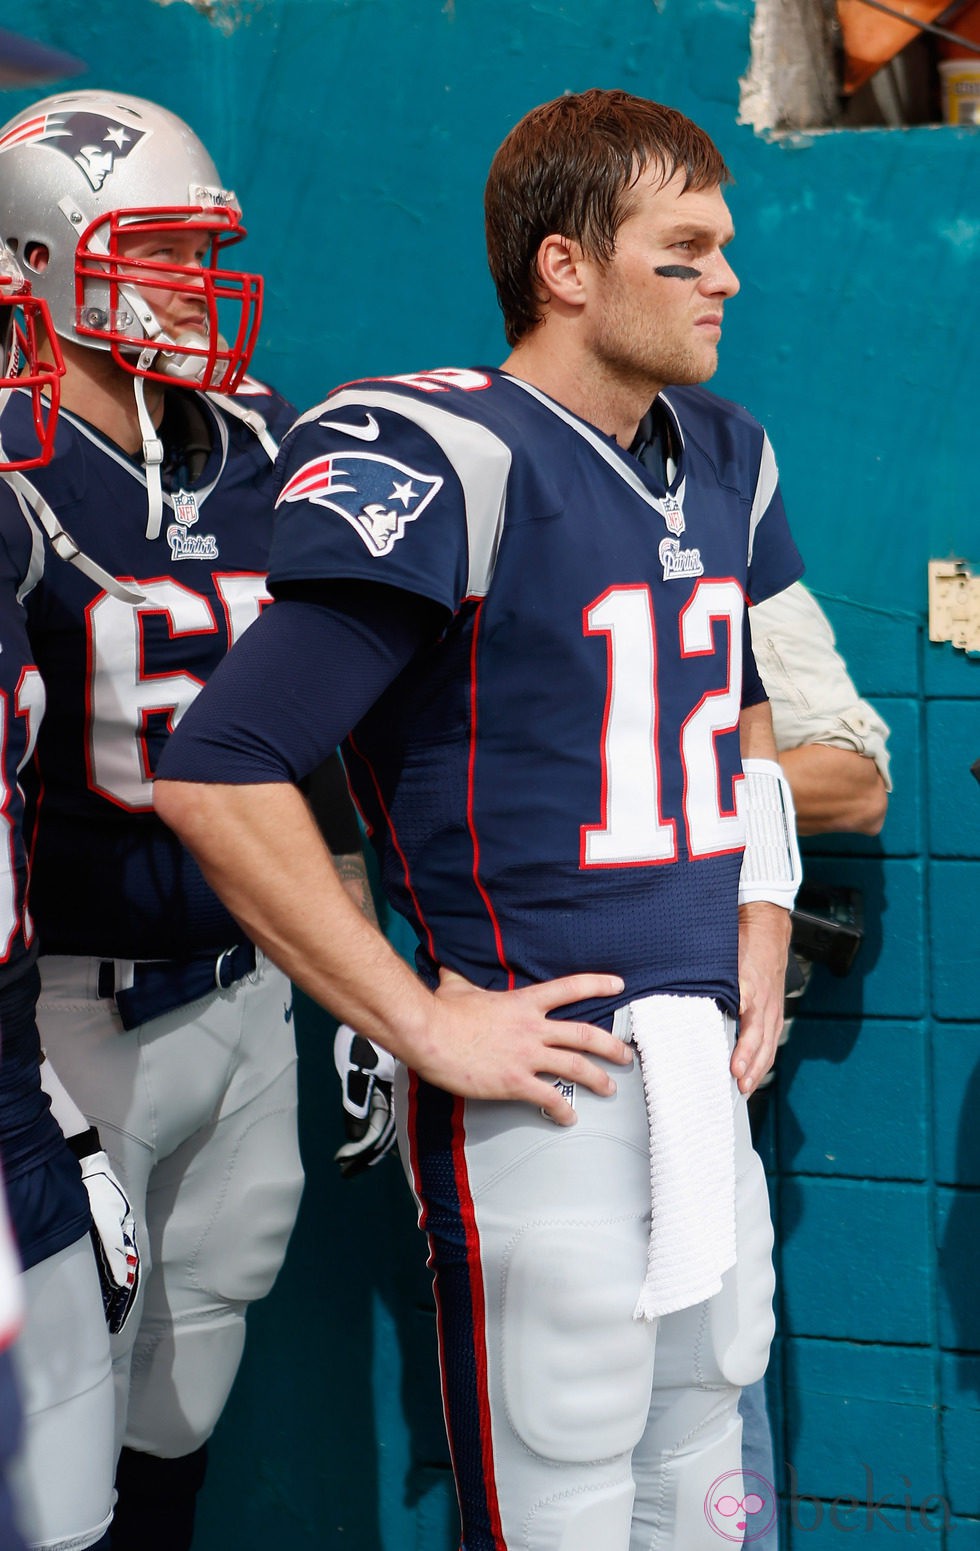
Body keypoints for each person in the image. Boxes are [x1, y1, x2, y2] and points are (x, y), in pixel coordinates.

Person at [155, 88, 806, 1549]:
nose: (728, 279)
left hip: (701, 1060)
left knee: (709, 1459)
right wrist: (417, 1018)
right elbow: (219, 766)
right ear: (567, 266)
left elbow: (740, 701)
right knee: (565, 1469)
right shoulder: (448, 449)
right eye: (687, 247)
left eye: (726, 246)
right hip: (544, 1076)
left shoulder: (722, 450)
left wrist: (760, 917)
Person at [0, 88, 373, 1551]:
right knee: (57, 1421)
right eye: (150, 250)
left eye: (199, 250)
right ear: (32, 262)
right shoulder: (14, 473)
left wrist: (346, 960)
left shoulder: (263, 434)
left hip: (248, 972)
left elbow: (320, 722)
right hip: (71, 1011)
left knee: (197, 1347)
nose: (190, 288)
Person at [737, 579, 891, 1548]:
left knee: (706, 1386)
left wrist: (650, 786)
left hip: (701, 1045)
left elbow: (855, 782)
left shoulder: (711, 506)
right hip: (508, 1032)